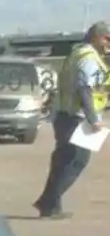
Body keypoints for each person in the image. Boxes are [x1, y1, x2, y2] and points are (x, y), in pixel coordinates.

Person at [33, 21, 109, 220]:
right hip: (77, 117)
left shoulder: (77, 53)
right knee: (75, 161)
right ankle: (48, 202)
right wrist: (93, 119)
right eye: (107, 38)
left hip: (66, 115)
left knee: (63, 160)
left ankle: (51, 204)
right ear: (96, 37)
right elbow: (84, 88)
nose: (108, 43)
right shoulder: (89, 58)